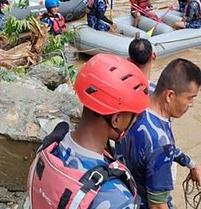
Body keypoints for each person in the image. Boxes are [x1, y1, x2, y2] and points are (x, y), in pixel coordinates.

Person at [25, 54, 149, 208]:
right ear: (116, 119)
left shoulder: (52, 147)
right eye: (134, 115)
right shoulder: (116, 197)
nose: (135, 120)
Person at [115, 58, 201, 209]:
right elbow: (157, 205)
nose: (192, 104)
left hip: (125, 187)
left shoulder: (140, 99)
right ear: (169, 96)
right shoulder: (160, 145)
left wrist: (191, 164)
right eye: (190, 98)